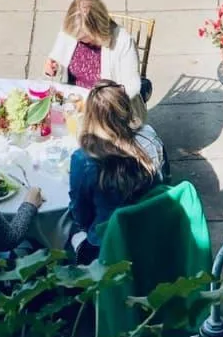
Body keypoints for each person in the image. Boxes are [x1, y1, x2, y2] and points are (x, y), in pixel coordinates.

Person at [68, 81, 165, 262]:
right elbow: (163, 183)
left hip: (104, 246)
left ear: (91, 116)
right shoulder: (150, 138)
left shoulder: (84, 159)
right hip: (148, 233)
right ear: (127, 110)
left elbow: (80, 214)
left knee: (64, 234)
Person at [43, 0, 148, 115]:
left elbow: (132, 87)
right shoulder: (73, 29)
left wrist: (99, 104)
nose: (78, 40)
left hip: (106, 109)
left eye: (83, 38)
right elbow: (57, 55)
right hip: (73, 103)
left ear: (98, 30)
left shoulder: (123, 42)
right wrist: (52, 64)